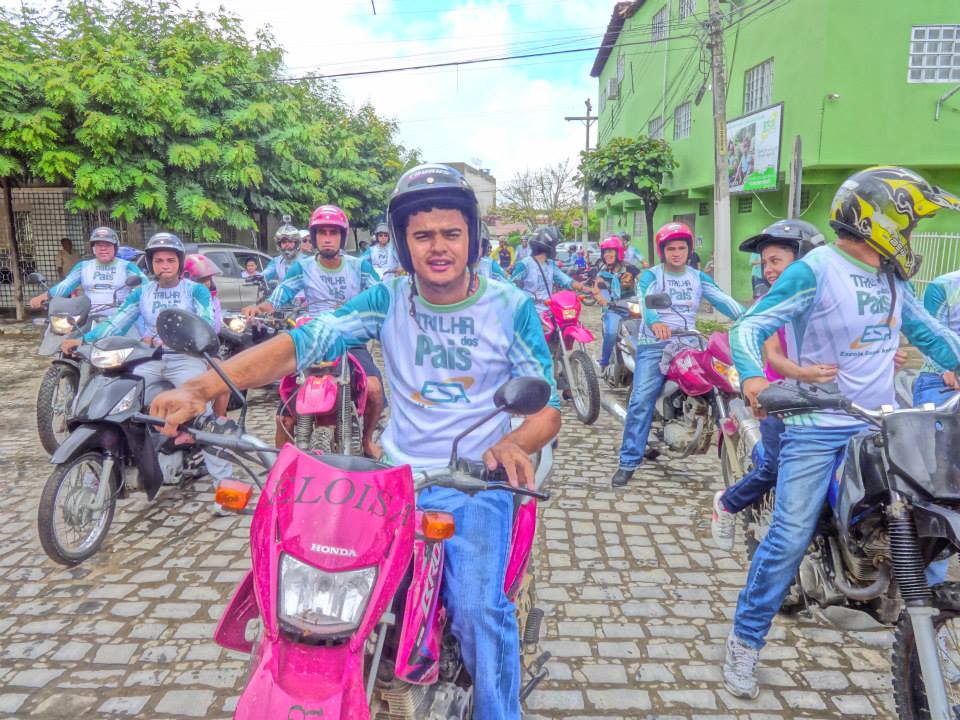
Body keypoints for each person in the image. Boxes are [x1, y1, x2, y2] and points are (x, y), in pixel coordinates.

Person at [148, 163, 561, 720]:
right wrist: (202, 387)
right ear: (403, 244)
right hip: (393, 479)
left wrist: (515, 442)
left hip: (473, 482)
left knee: (477, 612)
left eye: (451, 232)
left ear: (472, 237)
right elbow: (305, 341)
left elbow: (547, 407)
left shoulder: (511, 306)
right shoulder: (387, 299)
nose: (438, 247)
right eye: (423, 235)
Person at [724, 166, 960, 700]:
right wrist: (755, 378)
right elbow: (750, 326)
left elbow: (931, 335)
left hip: (879, 420)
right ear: (880, 221)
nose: (912, 236)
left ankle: (929, 634)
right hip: (818, 422)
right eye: (910, 225)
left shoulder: (892, 278)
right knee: (789, 536)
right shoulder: (816, 270)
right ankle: (745, 641)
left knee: (935, 520)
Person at [60, 233, 234, 500]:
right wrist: (84, 340)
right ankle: (104, 469)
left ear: (179, 263)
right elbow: (117, 322)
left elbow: (207, 322)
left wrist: (180, 338)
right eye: (159, 260)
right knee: (118, 401)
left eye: (170, 260)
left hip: (186, 358)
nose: (165, 265)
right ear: (151, 264)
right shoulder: (142, 293)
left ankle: (225, 486)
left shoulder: (195, 290)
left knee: (202, 412)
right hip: (150, 358)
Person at [709, 219, 827, 550]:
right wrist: (804, 374)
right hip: (780, 396)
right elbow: (773, 357)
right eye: (765, 263)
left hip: (827, 400)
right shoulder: (772, 302)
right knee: (774, 466)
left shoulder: (826, 298)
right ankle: (728, 503)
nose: (769, 270)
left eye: (776, 260)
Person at [242, 205, 385, 456]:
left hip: (349, 338)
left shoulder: (359, 266)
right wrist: (259, 309)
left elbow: (381, 296)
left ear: (342, 236)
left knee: (374, 389)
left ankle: (367, 440)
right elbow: (278, 297)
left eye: (333, 232)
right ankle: (282, 464)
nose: (328, 238)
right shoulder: (303, 268)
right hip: (309, 339)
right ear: (315, 237)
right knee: (284, 417)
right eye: (322, 233)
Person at [610, 222, 743, 487]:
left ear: (689, 249)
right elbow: (647, 302)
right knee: (642, 399)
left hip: (690, 341)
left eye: (682, 248)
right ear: (663, 251)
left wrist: (751, 320)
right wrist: (656, 323)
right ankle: (628, 460)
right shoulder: (651, 276)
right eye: (671, 248)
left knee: (724, 382)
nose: (677, 253)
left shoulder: (698, 277)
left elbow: (724, 301)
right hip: (655, 343)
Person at [31, 227, 147, 314]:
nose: (103, 248)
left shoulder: (127, 267)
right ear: (93, 248)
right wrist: (44, 297)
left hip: (121, 317)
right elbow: (65, 285)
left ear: (115, 247)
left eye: (107, 244)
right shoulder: (83, 267)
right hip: (89, 317)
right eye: (98, 245)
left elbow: (145, 287)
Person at [183, 253, 229, 418]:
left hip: (204, 348)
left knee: (224, 380)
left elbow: (214, 326)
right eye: (201, 280)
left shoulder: (213, 300)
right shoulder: (181, 297)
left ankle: (218, 419)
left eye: (208, 280)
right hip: (178, 350)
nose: (206, 284)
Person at [510, 225, 594, 315]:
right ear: (547, 247)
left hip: (548, 311)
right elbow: (511, 288)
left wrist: (585, 288)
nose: (555, 250)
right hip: (530, 313)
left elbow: (566, 280)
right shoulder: (524, 265)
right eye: (554, 247)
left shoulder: (550, 264)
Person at [594, 235, 642, 371]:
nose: (607, 254)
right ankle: (604, 362)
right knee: (611, 332)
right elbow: (597, 290)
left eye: (610, 251)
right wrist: (602, 299)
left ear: (618, 252)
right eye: (605, 252)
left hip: (631, 307)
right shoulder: (602, 272)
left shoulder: (630, 268)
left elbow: (645, 281)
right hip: (613, 309)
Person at [262, 219, 301, 285]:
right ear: (279, 245)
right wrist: (259, 277)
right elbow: (267, 272)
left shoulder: (305, 260)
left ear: (296, 243)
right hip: (283, 291)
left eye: (290, 241)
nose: (287, 244)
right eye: (283, 242)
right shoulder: (277, 261)